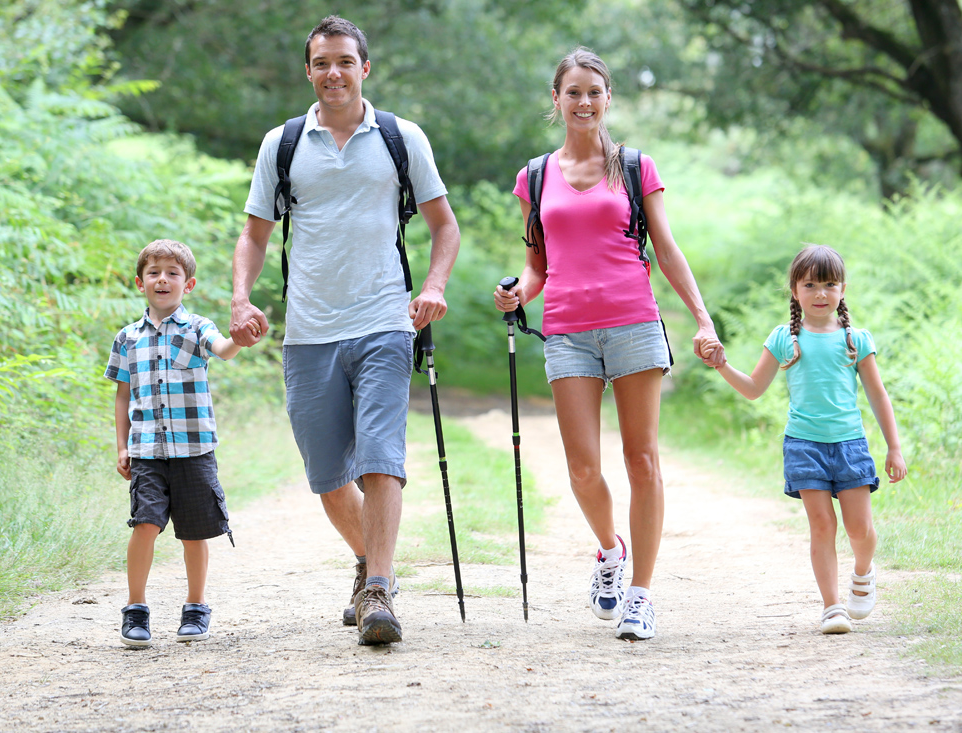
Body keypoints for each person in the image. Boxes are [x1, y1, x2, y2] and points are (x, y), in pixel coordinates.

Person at [229, 16, 459, 646]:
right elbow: (254, 234)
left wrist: (433, 287)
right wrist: (240, 299)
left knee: (382, 459)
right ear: (309, 71)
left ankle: (379, 590)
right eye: (322, 62)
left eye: (345, 62)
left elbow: (445, 226)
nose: (334, 73)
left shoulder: (399, 138)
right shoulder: (282, 144)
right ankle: (369, 563)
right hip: (308, 331)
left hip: (384, 322)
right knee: (328, 476)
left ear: (365, 69)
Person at [494, 48, 723, 641]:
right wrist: (518, 292)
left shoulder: (636, 167)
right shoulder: (535, 176)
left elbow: (666, 249)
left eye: (594, 91)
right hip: (568, 330)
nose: (584, 102)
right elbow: (536, 265)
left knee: (641, 460)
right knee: (582, 468)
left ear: (608, 98)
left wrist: (702, 318)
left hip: (633, 324)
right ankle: (609, 551)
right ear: (556, 99)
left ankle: (642, 595)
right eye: (573, 92)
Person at [702, 244, 907, 634]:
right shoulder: (783, 338)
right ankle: (832, 607)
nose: (820, 293)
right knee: (821, 525)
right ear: (794, 290)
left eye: (829, 284)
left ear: (843, 289)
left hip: (850, 445)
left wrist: (894, 447)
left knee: (860, 529)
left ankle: (862, 572)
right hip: (804, 446)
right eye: (810, 284)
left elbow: (879, 395)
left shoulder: (856, 339)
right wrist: (722, 364)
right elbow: (753, 388)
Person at [106, 238, 244, 647]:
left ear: (190, 284)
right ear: (139, 282)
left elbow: (225, 350)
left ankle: (196, 607)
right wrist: (121, 445)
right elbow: (122, 395)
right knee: (144, 524)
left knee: (194, 532)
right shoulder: (127, 338)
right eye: (154, 273)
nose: (162, 280)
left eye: (172, 273)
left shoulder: (199, 328)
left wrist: (241, 336)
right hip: (147, 449)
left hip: (194, 449)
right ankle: (135, 609)